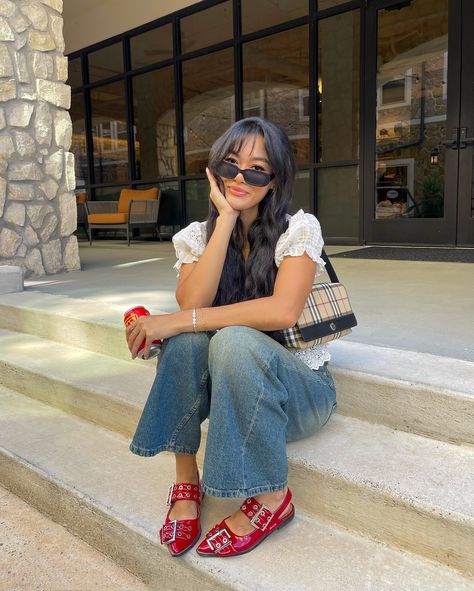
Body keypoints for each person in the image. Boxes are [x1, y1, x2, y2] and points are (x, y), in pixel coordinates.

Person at [126, 117, 337, 558]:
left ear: (275, 178)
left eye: (257, 169)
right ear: (214, 170)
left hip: (298, 394)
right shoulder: (196, 237)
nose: (241, 177)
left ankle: (271, 498)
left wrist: (178, 321)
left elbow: (283, 311)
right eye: (231, 164)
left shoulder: (298, 229)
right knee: (187, 341)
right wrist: (224, 221)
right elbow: (191, 305)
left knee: (231, 339)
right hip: (232, 392)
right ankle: (187, 483)